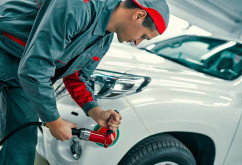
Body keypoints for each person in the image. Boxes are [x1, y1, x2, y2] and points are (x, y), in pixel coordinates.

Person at [0, 0, 169, 164]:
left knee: (20, 146)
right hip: (6, 53)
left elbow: (77, 77)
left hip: (21, 79)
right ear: (138, 15)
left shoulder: (103, 40)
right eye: (144, 36)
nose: (138, 42)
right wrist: (54, 121)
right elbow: (36, 67)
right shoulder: (78, 5)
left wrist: (95, 111)